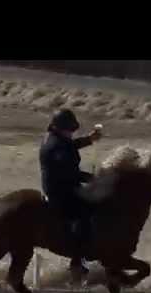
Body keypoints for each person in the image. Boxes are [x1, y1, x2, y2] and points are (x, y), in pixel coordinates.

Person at [39, 109, 102, 276]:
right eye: (70, 129)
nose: (71, 132)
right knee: (87, 211)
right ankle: (76, 260)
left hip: (60, 187)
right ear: (61, 128)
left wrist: (89, 139)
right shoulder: (57, 147)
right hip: (61, 191)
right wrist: (93, 179)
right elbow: (70, 173)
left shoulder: (55, 138)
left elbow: (70, 145)